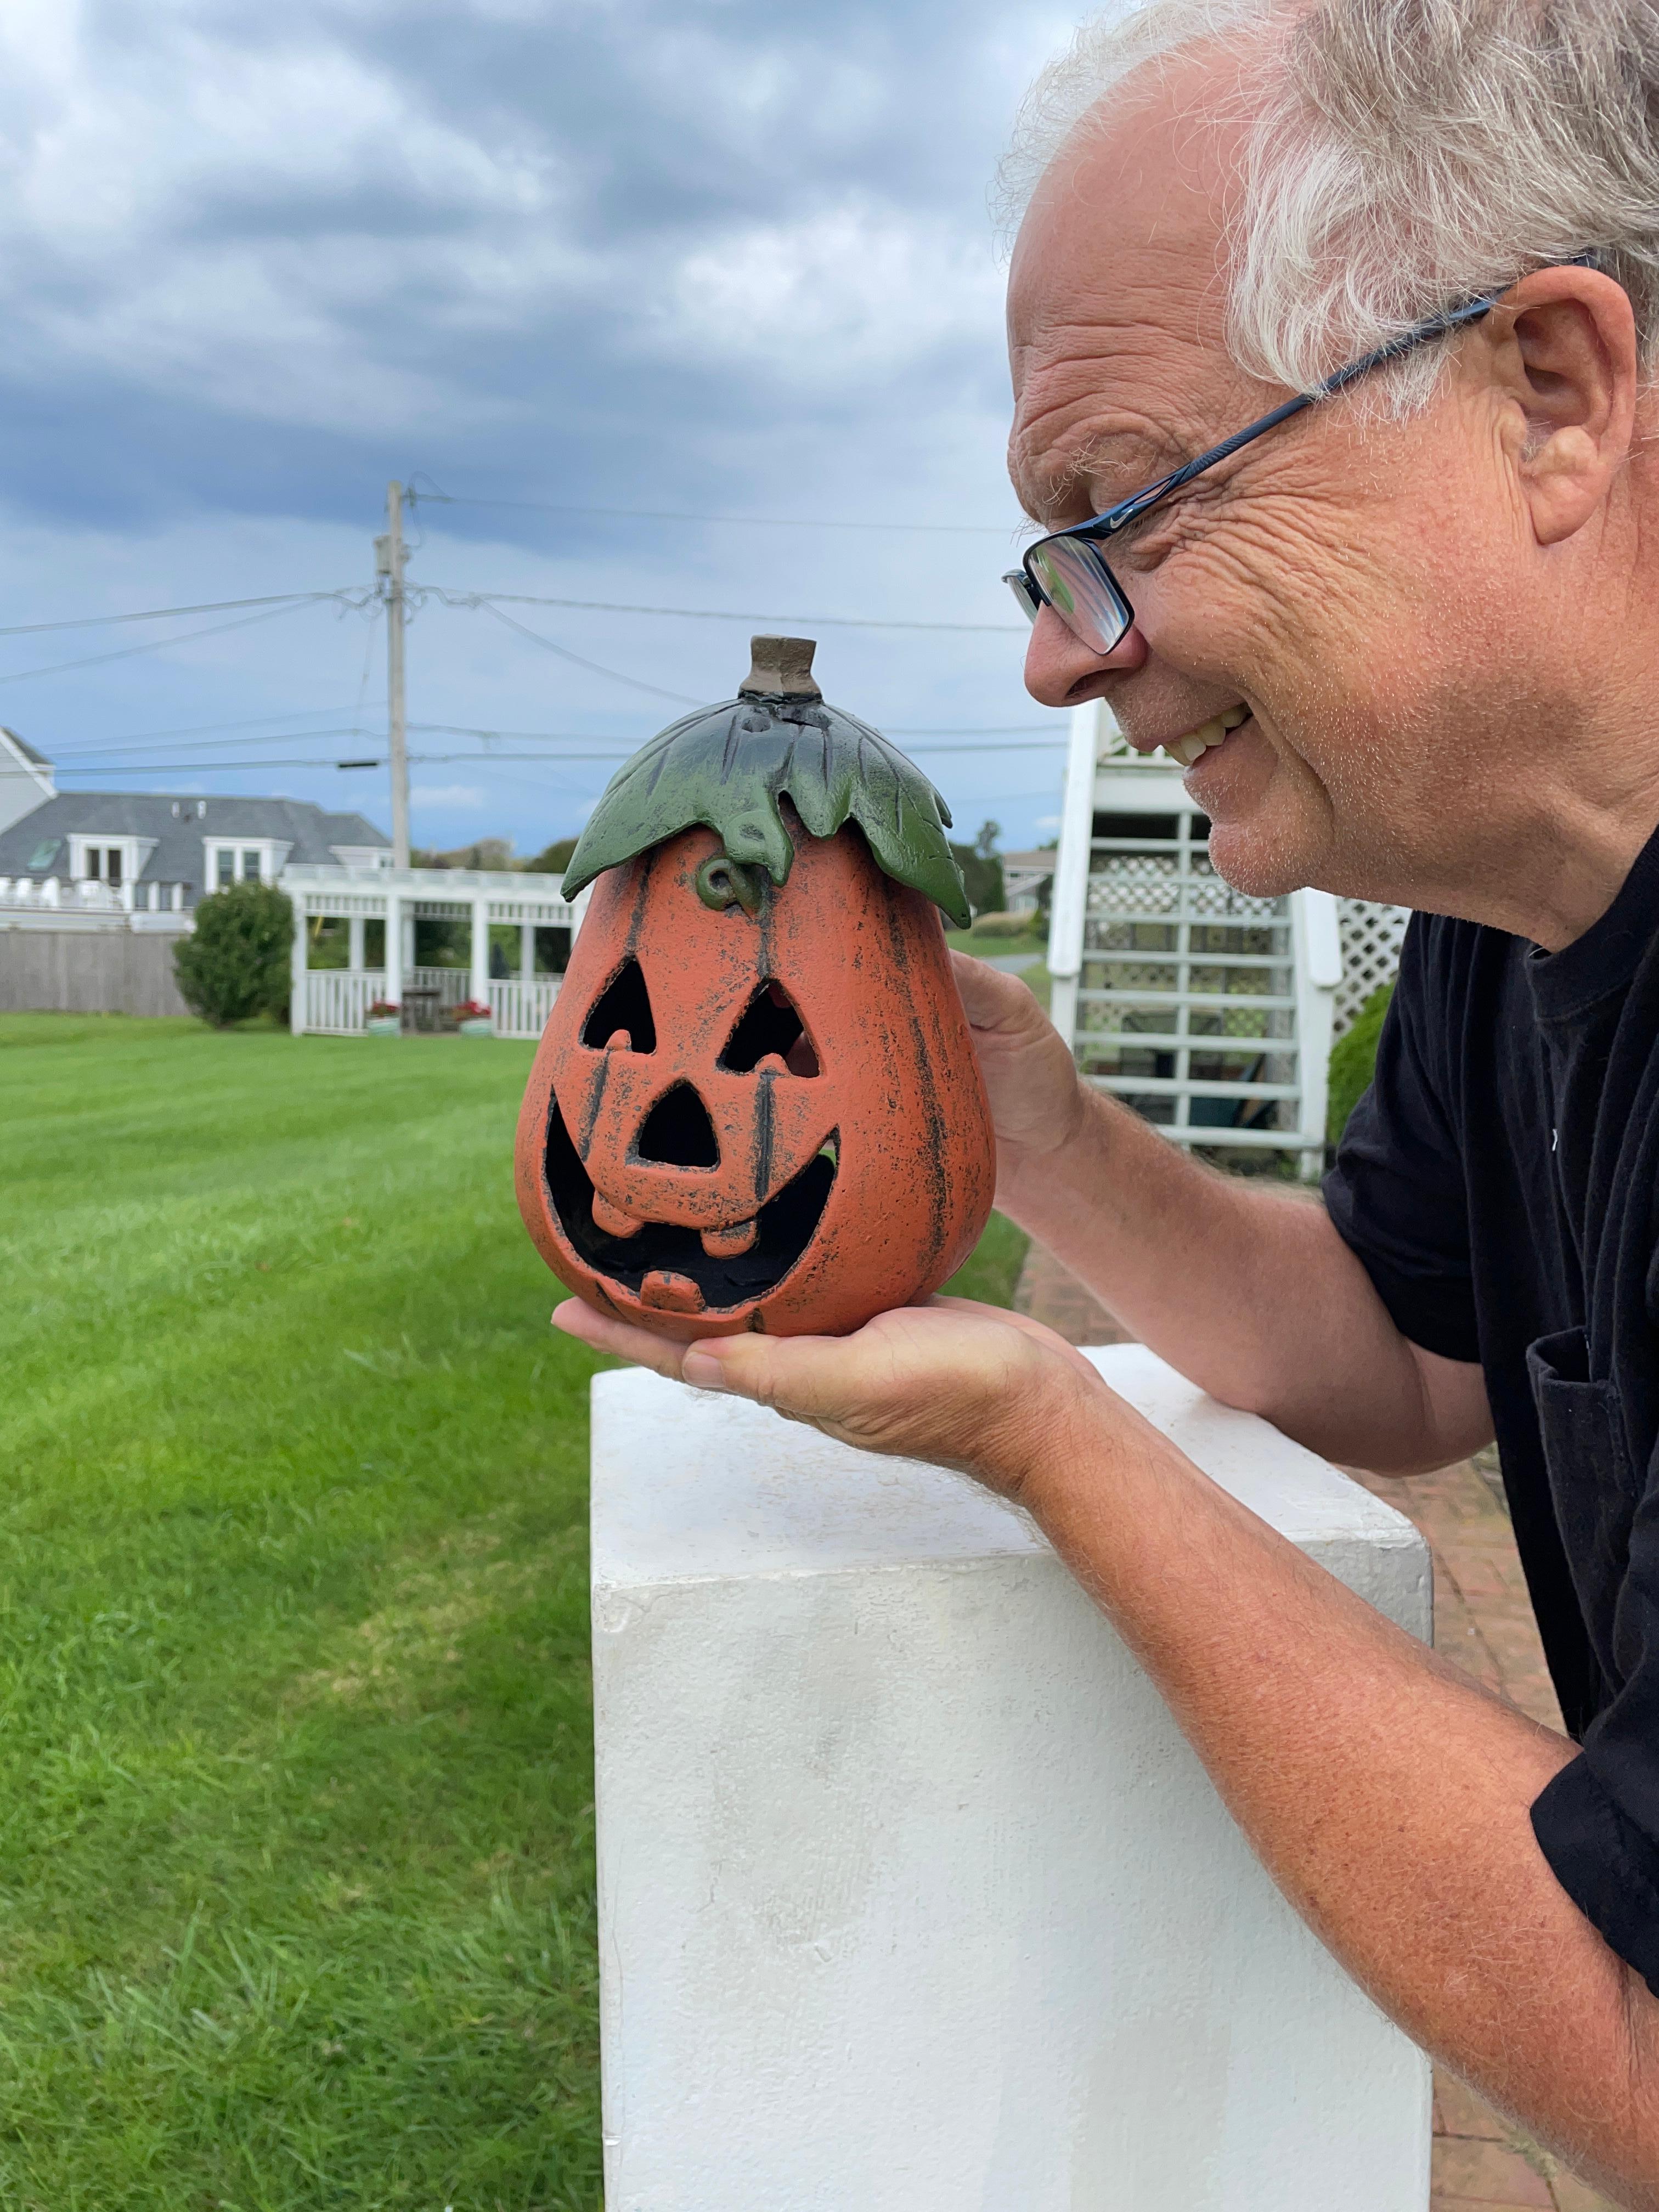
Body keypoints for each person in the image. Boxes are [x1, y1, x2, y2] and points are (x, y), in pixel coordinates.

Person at [556, 1, 1659, 2196]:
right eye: (1047, 560)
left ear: (1551, 395)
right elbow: (1404, 1351)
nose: (1062, 652)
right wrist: (1034, 1126)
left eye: (1121, 509)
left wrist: (1052, 1438)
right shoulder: (1514, 918)